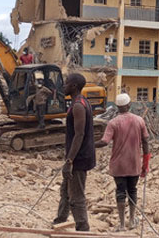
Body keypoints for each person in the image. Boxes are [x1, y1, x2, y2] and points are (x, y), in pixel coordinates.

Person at [95, 93, 150, 232]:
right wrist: (146, 163)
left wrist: (89, 144)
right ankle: (131, 220)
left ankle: (121, 224)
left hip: (118, 164)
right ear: (129, 105)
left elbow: (104, 142)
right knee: (132, 191)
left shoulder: (113, 123)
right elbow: (145, 142)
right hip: (134, 163)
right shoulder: (139, 121)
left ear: (117, 107)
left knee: (120, 192)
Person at [53, 73, 95, 231]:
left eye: (67, 83)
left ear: (74, 86)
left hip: (78, 158)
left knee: (76, 196)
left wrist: (69, 161)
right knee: (65, 191)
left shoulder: (78, 106)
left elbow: (79, 134)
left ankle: (83, 228)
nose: (64, 86)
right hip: (75, 156)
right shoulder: (81, 102)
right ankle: (60, 222)